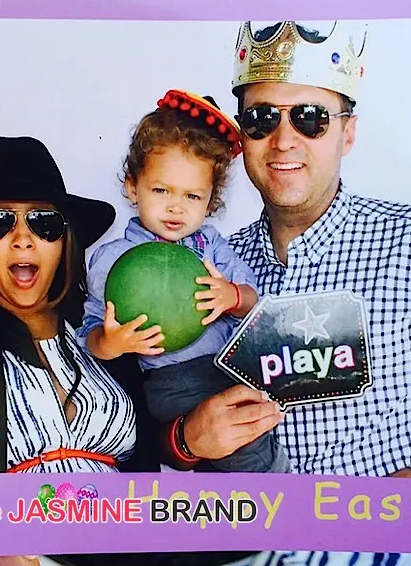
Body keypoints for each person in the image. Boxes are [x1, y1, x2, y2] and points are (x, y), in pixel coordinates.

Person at [160, 20, 411, 566]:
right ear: (241, 138)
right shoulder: (206, 268)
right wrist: (185, 441)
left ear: (348, 133)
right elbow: (140, 415)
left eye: (311, 117)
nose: (283, 140)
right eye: (261, 119)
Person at [0, 135, 164, 563]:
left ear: (65, 237)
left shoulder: (109, 328)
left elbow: (156, 460)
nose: (22, 239)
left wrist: (189, 439)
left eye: (43, 222)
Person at [76, 89, 290, 474]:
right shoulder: (111, 259)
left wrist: (231, 296)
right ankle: (282, 490)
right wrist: (110, 343)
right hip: (174, 380)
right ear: (132, 186)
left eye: (192, 196)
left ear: (210, 201)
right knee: (246, 444)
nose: (176, 207)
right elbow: (88, 333)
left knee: (255, 423)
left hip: (232, 366)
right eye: (161, 190)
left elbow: (253, 300)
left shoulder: (212, 245)